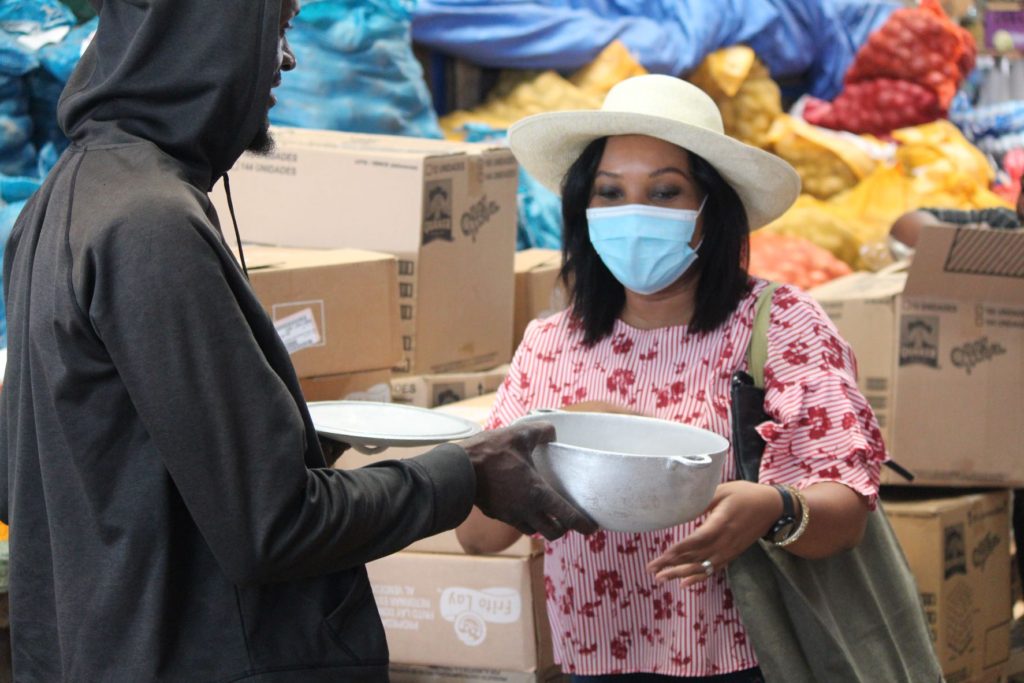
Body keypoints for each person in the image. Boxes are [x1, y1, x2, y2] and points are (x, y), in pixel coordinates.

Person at [0, 1, 594, 681]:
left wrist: (273, 440)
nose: (285, 60)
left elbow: (37, 473)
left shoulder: (64, 200)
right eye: (273, 29)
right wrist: (465, 474)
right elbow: (273, 529)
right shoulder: (149, 228)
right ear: (204, 38)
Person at [457, 75, 888, 682]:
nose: (633, 214)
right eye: (609, 193)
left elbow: (845, 515)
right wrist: (554, 439)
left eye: (665, 192)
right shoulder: (550, 346)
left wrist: (773, 507)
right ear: (584, 209)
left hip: (752, 658)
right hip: (596, 660)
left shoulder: (782, 326)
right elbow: (478, 538)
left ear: (713, 210)